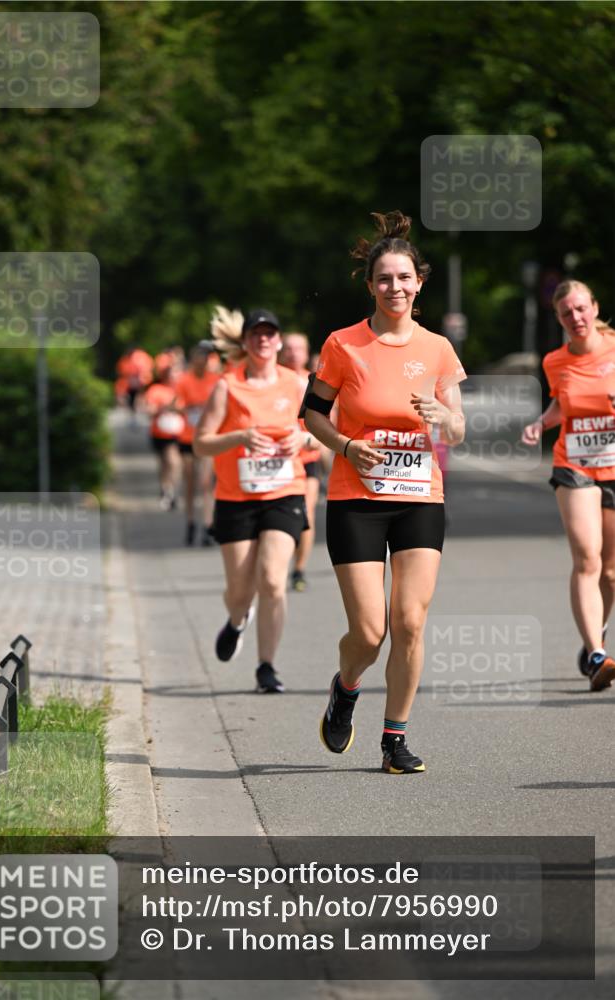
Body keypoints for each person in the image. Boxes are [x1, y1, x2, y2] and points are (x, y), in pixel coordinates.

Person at [303, 211, 466, 773]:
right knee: (370, 632)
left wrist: (445, 414)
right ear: (371, 285)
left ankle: (394, 739)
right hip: (356, 498)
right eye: (384, 279)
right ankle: (346, 686)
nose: (395, 287)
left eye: (404, 278)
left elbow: (458, 428)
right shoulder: (344, 345)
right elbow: (312, 414)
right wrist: (346, 446)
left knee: (411, 622)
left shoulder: (440, 349)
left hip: (420, 494)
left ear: (419, 282)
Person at [193, 307, 309, 693]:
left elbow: (321, 432)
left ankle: (266, 667)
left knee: (274, 580)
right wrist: (239, 438)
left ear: (278, 341)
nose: (263, 339)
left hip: (284, 491)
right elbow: (200, 444)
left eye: (269, 333)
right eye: (255, 333)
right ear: (245, 342)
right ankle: (237, 618)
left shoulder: (296, 384)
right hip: (236, 496)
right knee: (240, 590)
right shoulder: (228, 386)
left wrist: (302, 438)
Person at [522, 280, 615, 691]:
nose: (575, 318)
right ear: (558, 319)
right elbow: (564, 402)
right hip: (574, 464)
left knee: (611, 573)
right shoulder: (554, 361)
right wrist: (541, 423)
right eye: (566, 313)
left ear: (594, 307)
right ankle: (596, 655)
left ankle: (597, 633)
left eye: (580, 309)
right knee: (587, 558)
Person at [280, 332, 323, 591]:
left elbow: (329, 427)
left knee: (306, 515)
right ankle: (274, 567)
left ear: (307, 353)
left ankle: (298, 569)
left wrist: (308, 440)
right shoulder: (269, 380)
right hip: (276, 461)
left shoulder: (315, 383)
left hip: (306, 459)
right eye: (289, 348)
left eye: (299, 348)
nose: (293, 353)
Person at [174, 343, 220, 546]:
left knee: (206, 483)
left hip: (208, 437)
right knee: (190, 484)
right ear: (193, 362)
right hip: (187, 438)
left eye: (204, 362)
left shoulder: (216, 380)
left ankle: (208, 526)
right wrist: (186, 407)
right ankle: (190, 522)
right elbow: (176, 404)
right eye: (198, 362)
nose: (201, 366)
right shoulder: (184, 380)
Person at [144, 367, 184, 509]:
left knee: (173, 460)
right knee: (163, 463)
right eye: (173, 374)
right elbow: (149, 410)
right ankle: (165, 489)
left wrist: (176, 409)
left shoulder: (182, 389)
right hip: (159, 432)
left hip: (176, 433)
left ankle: (173, 491)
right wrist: (163, 408)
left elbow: (188, 408)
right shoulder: (155, 390)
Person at [116, 345, 154, 416]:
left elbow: (126, 370)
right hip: (142, 379)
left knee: (138, 394)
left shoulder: (135, 357)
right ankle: (136, 408)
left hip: (139, 379)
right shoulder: (143, 355)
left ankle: (137, 408)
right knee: (137, 394)